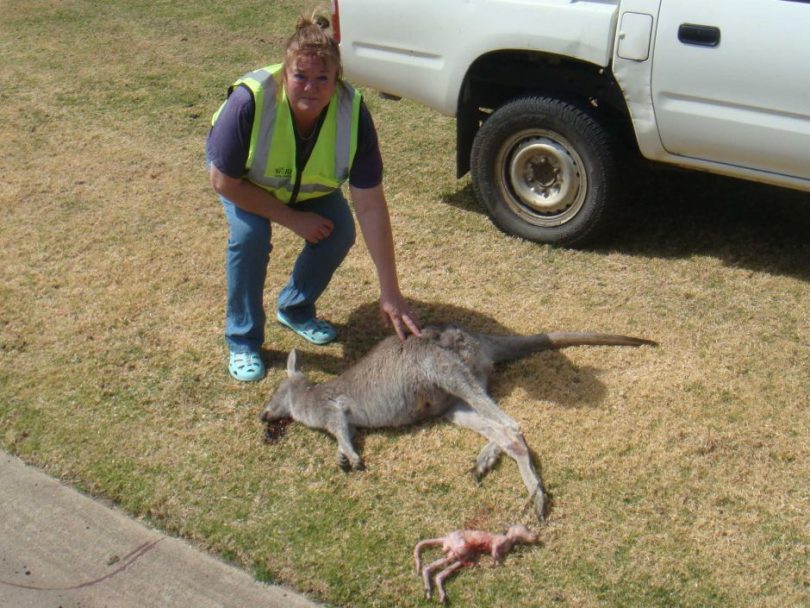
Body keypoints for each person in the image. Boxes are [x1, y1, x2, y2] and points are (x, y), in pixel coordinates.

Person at [207, 13, 421, 382]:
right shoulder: (250, 102)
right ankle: (243, 339)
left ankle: (295, 308)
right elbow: (224, 181)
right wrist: (292, 218)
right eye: (300, 76)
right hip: (245, 182)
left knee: (339, 230)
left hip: (307, 185)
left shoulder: (353, 113)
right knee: (250, 237)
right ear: (284, 74)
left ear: (337, 79)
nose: (311, 87)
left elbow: (370, 205)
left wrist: (390, 291)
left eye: (323, 78)